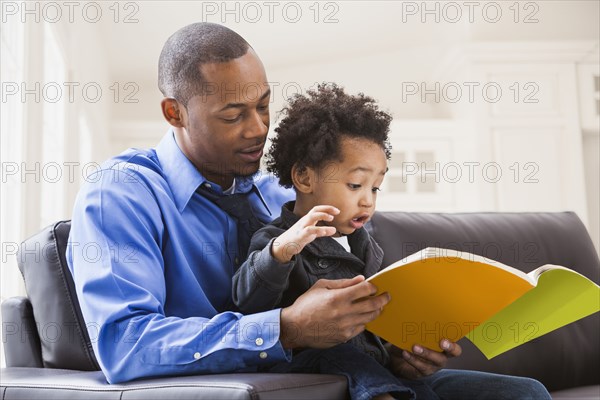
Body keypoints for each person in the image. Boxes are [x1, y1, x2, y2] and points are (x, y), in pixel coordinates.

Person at [66, 21, 550, 399]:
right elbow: (125, 345)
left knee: (522, 393)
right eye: (234, 115)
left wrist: (398, 356)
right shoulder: (121, 194)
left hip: (347, 376)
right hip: (271, 385)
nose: (258, 129)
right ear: (175, 113)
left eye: (263, 105)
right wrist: (288, 328)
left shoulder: (278, 191)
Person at [232, 84, 552, 400]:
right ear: (304, 177)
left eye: (375, 188)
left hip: (380, 371)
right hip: (318, 368)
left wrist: (406, 356)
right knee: (343, 356)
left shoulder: (367, 246)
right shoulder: (278, 240)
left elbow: (378, 335)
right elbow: (249, 302)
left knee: (526, 391)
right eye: (356, 184)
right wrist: (280, 253)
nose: (367, 201)